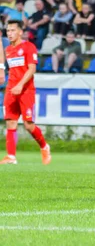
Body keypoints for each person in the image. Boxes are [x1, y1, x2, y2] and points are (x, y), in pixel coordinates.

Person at [0, 20, 51, 165]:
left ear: (20, 32)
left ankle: (44, 146)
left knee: (29, 125)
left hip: (26, 90)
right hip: (11, 89)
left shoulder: (29, 47)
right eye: (8, 31)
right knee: (10, 122)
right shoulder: (8, 50)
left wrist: (20, 85)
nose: (9, 33)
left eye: (13, 30)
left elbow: (32, 69)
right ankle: (11, 156)